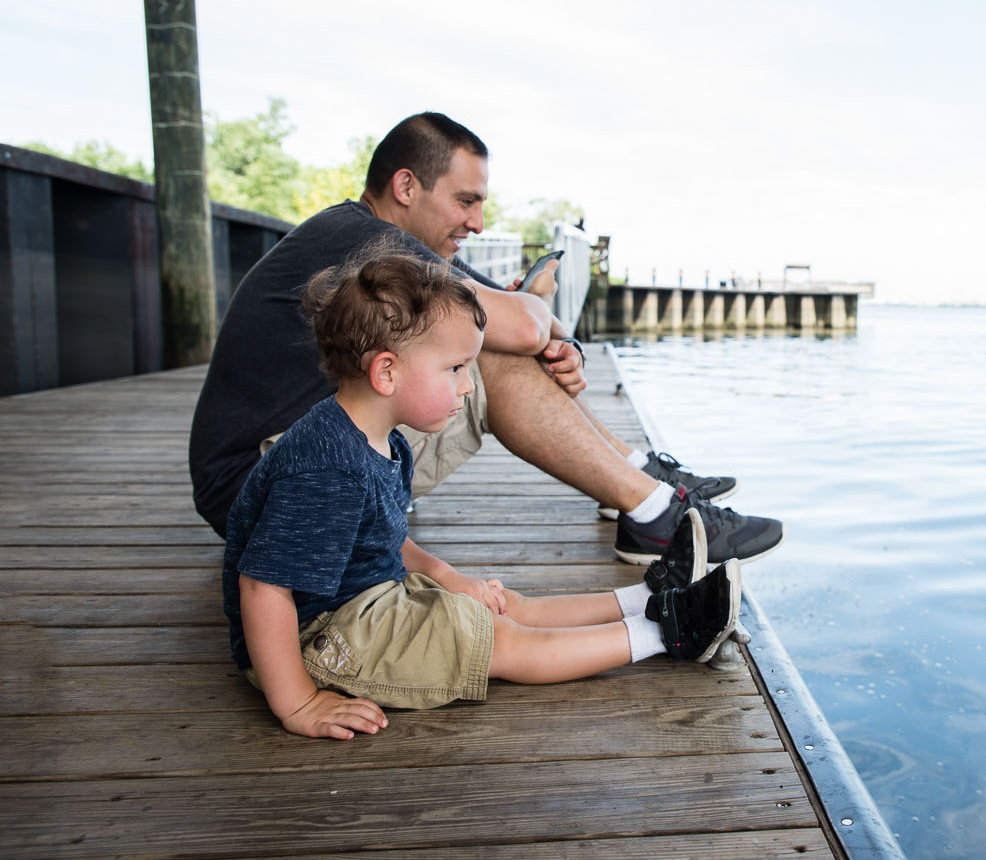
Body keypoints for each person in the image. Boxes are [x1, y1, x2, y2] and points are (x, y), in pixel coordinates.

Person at [190, 112, 782, 566]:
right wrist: (535, 309)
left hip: (299, 462)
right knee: (488, 361)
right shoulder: (361, 241)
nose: (477, 223)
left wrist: (554, 341)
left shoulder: (383, 245)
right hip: (258, 490)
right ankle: (656, 516)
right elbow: (521, 326)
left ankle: (638, 479)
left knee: (485, 342)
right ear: (405, 186)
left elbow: (521, 324)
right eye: (465, 200)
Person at [225, 250, 742, 739]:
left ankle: (648, 598)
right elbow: (263, 589)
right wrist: (296, 701)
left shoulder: (381, 440)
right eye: (454, 369)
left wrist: (447, 577)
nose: (468, 386)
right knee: (501, 642)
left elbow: (382, 535)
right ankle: (670, 631)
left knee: (502, 607)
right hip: (316, 638)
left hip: (362, 599)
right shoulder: (326, 468)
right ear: (386, 371)